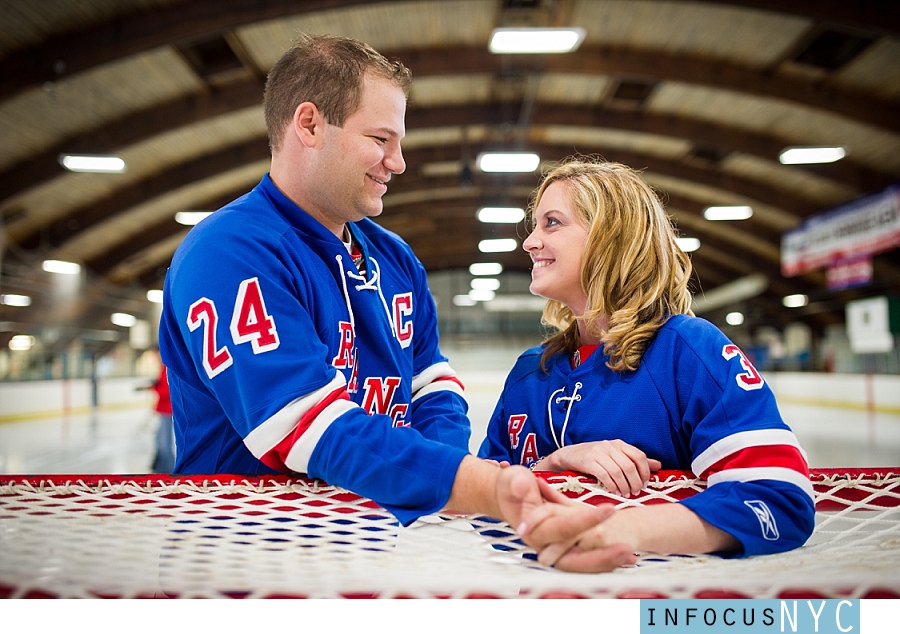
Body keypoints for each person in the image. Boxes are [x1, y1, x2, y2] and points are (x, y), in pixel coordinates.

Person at [158, 34, 627, 571]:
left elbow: (433, 385)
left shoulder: (396, 259)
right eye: (381, 138)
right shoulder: (231, 252)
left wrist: (445, 480)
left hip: (367, 560)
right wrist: (481, 486)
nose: (398, 162)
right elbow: (312, 428)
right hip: (242, 571)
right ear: (308, 125)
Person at [478, 158, 816, 571]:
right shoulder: (529, 372)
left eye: (552, 223)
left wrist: (621, 529)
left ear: (610, 239)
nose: (530, 242)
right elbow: (485, 514)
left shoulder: (686, 350)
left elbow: (780, 501)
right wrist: (553, 465)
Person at [151, 362, 175, 473]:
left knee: (164, 443)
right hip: (163, 410)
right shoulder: (163, 366)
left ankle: (169, 471)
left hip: (167, 410)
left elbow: (168, 390)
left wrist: (155, 388)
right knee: (159, 440)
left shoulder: (167, 366)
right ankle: (161, 468)